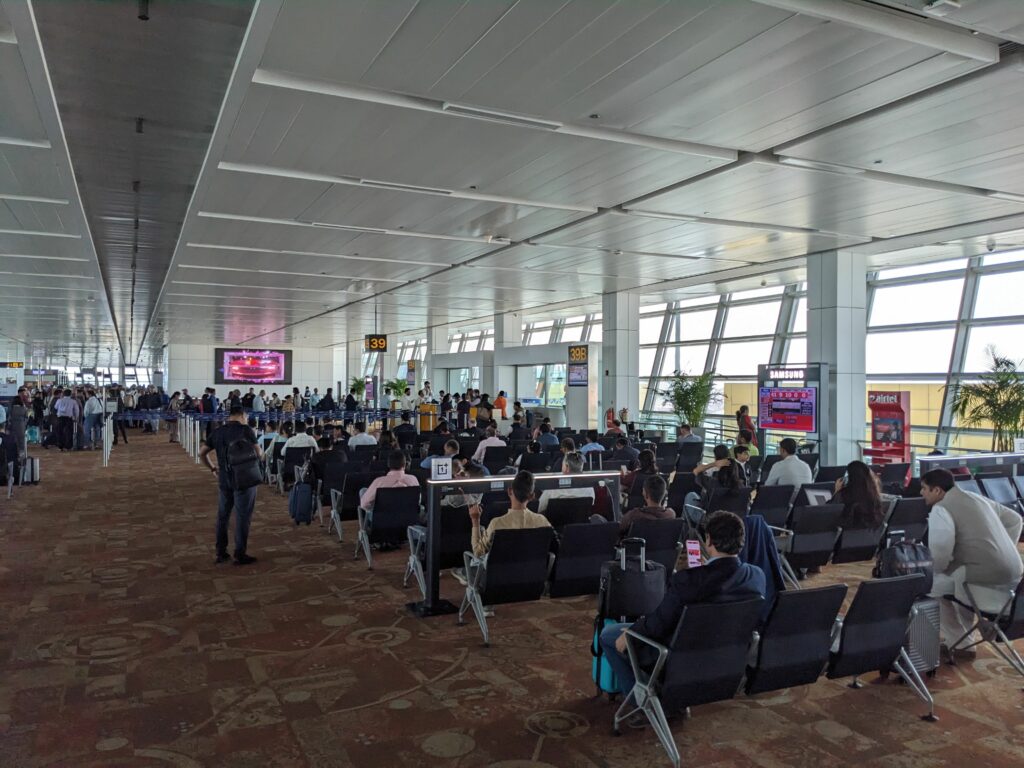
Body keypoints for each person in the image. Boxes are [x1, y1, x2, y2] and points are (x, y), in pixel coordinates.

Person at [599, 511, 766, 699]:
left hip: (678, 658)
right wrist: (701, 571)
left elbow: (659, 623)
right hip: (724, 657)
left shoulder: (687, 580)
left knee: (609, 635)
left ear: (709, 540)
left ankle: (641, 701)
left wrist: (632, 633)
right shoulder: (756, 576)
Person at [920, 469, 1023, 653]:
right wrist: (1001, 548)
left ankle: (960, 642)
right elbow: (1015, 520)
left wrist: (933, 571)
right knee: (956, 580)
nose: (921, 493)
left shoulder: (941, 508)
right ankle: (965, 639)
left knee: (931, 586)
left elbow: (940, 554)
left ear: (937, 491)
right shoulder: (976, 497)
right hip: (1014, 573)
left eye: (924, 489)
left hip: (984, 578)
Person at [200, 405, 264, 565]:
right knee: (243, 517)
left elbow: (202, 453)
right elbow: (259, 453)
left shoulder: (217, 431)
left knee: (223, 516)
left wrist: (213, 468)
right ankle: (240, 553)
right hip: (245, 478)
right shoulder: (246, 430)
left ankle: (221, 552)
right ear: (242, 415)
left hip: (224, 478)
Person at [468, 470, 551, 557]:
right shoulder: (542, 522)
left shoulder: (497, 524)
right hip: (532, 570)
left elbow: (478, 553)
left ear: (510, 491)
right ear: (532, 496)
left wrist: (475, 520)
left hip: (501, 570)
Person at [359, 450, 419, 524]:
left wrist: (374, 509)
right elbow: (417, 500)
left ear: (388, 465)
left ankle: (364, 527)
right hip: (408, 519)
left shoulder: (379, 482)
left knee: (363, 491)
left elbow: (364, 504)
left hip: (382, 521)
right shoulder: (413, 479)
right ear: (404, 465)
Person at [830, 460, 884, 529]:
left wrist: (836, 491)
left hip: (845, 537)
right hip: (869, 538)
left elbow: (829, 513)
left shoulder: (843, 494)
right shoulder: (874, 497)